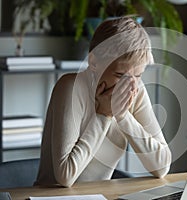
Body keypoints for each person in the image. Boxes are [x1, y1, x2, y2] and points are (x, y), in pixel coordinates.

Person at [35, 17, 171, 187]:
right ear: (94, 62)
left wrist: (122, 116)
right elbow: (65, 176)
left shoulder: (136, 90)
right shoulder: (70, 87)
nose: (131, 85)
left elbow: (162, 166)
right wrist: (104, 115)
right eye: (120, 75)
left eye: (138, 75)